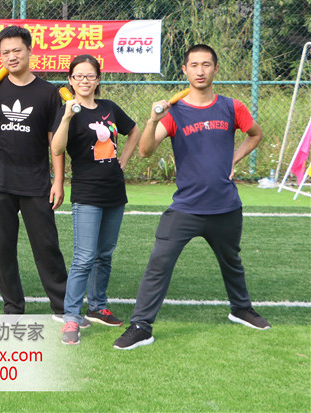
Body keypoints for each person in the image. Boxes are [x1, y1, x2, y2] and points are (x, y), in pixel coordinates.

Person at [114, 44, 270, 350]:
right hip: (186, 208)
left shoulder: (232, 107)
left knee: (232, 262)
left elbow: (256, 134)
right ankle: (141, 326)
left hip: (226, 206)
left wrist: (234, 159)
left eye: (206, 65)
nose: (200, 71)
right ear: (185, 70)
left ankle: (241, 309)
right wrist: (153, 120)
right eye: (194, 65)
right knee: (159, 263)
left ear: (216, 69)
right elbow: (145, 151)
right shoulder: (175, 112)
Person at [0, 25, 69, 316]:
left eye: (17, 50)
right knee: (3, 248)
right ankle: (12, 306)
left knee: (47, 247)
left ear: (29, 50)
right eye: (5, 52)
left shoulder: (48, 93)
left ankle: (63, 307)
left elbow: (55, 143)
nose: (11, 56)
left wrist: (58, 180)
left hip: (36, 182)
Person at [51, 55, 141, 345]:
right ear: (70, 80)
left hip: (114, 191)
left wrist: (123, 161)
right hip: (87, 193)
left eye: (90, 76)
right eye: (78, 76)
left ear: (98, 79)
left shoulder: (108, 107)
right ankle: (71, 317)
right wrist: (67, 116)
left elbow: (134, 131)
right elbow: (57, 148)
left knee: (105, 254)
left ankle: (98, 306)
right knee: (84, 257)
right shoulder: (67, 110)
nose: (84, 81)